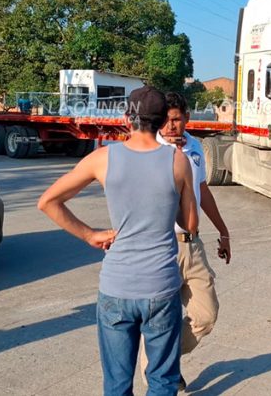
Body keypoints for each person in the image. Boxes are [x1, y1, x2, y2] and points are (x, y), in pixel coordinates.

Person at [38, 85, 198, 396]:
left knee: (117, 384)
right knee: (163, 382)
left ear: (127, 118)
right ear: (164, 119)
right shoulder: (177, 161)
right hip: (160, 287)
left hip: (116, 287)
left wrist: (90, 235)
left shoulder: (103, 158)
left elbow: (48, 202)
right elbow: (189, 225)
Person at [140, 92, 232, 388]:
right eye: (165, 120)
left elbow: (202, 190)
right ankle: (160, 377)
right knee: (158, 320)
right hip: (161, 247)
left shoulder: (193, 146)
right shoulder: (151, 147)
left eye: (177, 119)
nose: (170, 126)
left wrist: (223, 230)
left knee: (206, 314)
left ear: (187, 119)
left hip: (192, 245)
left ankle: (163, 359)